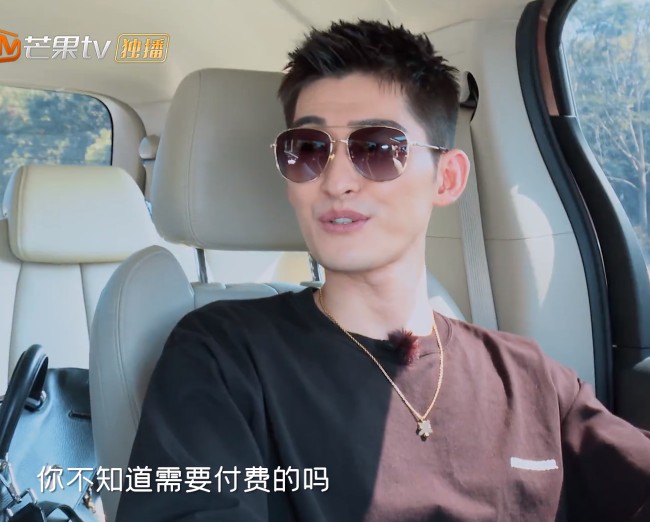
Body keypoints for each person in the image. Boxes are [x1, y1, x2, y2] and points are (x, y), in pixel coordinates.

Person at [116, 20, 650, 522]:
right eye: (308, 149)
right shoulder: (223, 356)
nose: (335, 181)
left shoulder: (531, 378)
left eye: (376, 149)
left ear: (446, 178)